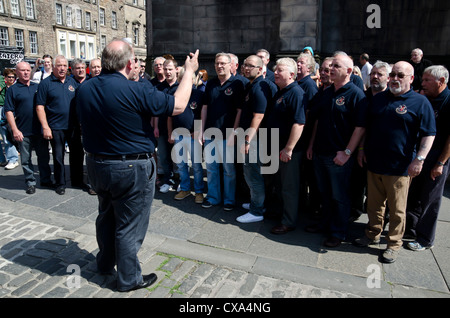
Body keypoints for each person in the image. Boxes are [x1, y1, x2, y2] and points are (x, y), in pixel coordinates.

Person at [76, 38, 199, 292]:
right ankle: (129, 279)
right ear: (130, 63)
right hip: (130, 169)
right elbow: (178, 105)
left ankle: (105, 262)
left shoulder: (85, 88)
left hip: (97, 165)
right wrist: (189, 72)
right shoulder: (135, 89)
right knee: (129, 226)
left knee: (106, 216)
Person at [354, 61, 436, 264]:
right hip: (374, 164)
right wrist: (362, 150)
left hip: (400, 167)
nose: (395, 79)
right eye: (393, 75)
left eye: (401, 75)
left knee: (397, 210)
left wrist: (420, 159)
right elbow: (366, 127)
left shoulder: (420, 102)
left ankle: (393, 244)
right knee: (373, 205)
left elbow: (429, 134)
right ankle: (372, 234)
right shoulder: (379, 99)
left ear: (411, 78)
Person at [306, 52, 367, 247]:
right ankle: (324, 224)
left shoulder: (355, 94)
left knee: (339, 197)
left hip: (339, 156)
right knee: (324, 194)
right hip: (319, 152)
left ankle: (338, 232)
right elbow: (316, 121)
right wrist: (311, 145)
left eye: (336, 66)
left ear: (349, 71)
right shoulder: (326, 92)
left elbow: (360, 128)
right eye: (330, 66)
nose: (330, 69)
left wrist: (348, 152)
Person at [405, 65, 450, 251]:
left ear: (441, 82)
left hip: (438, 158)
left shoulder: (448, 101)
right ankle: (412, 229)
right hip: (420, 155)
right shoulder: (425, 98)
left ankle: (425, 238)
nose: (422, 84)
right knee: (414, 194)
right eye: (422, 79)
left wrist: (441, 163)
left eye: (427, 80)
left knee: (430, 199)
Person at [200, 52, 245, 210]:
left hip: (228, 135)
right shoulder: (211, 84)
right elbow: (204, 108)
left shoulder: (237, 84)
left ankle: (229, 200)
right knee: (211, 169)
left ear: (230, 65)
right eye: (217, 63)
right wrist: (201, 131)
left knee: (229, 170)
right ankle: (213, 197)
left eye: (223, 63)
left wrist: (234, 132)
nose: (219, 66)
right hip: (211, 134)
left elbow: (240, 110)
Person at [266, 58, 306, 234]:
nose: (275, 73)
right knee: (279, 184)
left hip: (288, 150)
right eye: (275, 70)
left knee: (289, 187)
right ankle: (281, 214)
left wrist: (288, 148)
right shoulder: (280, 92)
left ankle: (288, 221)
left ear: (291, 74)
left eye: (280, 70)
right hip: (276, 146)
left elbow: (299, 123)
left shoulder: (295, 93)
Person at [235, 55, 277, 223]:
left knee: (253, 173)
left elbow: (258, 116)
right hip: (256, 138)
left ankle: (256, 211)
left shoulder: (259, 87)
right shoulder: (253, 85)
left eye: (251, 66)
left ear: (260, 69)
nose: (246, 68)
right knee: (252, 172)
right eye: (245, 65)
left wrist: (247, 140)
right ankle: (257, 202)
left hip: (256, 138)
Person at [4, 62, 52, 194]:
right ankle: (30, 182)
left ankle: (46, 179)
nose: (26, 73)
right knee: (26, 159)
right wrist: (14, 130)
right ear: (17, 73)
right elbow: (8, 111)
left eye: (28, 70)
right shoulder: (13, 90)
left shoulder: (38, 86)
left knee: (44, 157)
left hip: (39, 130)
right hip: (23, 131)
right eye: (23, 70)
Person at [36, 55, 78, 195]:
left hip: (72, 126)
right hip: (55, 127)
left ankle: (76, 180)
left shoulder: (72, 82)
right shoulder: (45, 84)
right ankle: (60, 183)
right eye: (59, 65)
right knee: (58, 157)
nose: (62, 68)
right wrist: (45, 126)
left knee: (76, 155)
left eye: (65, 66)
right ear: (53, 67)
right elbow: (40, 107)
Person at [169, 67, 205, 203]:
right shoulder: (174, 94)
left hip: (193, 135)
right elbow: (169, 116)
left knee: (196, 165)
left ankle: (199, 191)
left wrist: (198, 131)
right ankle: (185, 188)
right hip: (178, 134)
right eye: (182, 79)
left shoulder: (199, 95)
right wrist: (169, 132)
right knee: (181, 164)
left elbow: (203, 115)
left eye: (188, 79)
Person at [154, 58, 179, 193]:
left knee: (179, 158)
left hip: (179, 128)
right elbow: (155, 110)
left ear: (176, 69)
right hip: (163, 127)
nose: (167, 72)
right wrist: (156, 127)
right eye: (165, 69)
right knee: (163, 155)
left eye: (170, 69)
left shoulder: (181, 87)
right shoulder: (158, 88)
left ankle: (180, 180)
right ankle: (167, 180)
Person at [0, 68, 20, 169]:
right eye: (9, 77)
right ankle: (1, 159)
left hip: (8, 111)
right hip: (1, 109)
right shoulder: (3, 86)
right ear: (5, 78)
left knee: (7, 136)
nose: (11, 79)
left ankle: (13, 159)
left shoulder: (16, 88)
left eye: (13, 77)